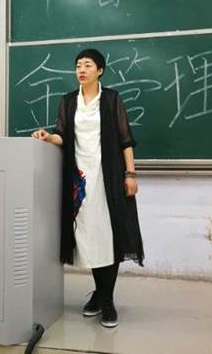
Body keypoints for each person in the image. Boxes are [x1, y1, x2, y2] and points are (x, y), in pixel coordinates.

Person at [32, 48, 144, 328]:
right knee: (89, 236)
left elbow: (125, 140)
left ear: (100, 70)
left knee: (109, 235)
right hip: (79, 179)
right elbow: (62, 134)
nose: (81, 70)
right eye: (78, 65)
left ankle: (106, 300)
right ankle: (100, 294)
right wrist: (49, 137)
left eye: (88, 65)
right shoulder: (69, 101)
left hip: (109, 177)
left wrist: (130, 174)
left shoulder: (111, 99)